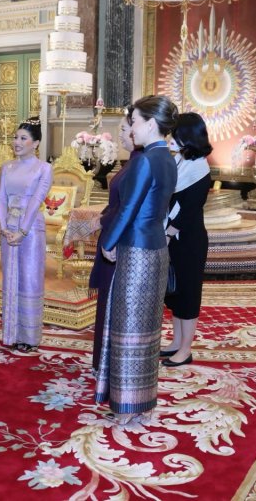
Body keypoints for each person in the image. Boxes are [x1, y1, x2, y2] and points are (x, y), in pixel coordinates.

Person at [94, 95, 178, 424]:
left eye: (136, 121)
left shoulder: (145, 160)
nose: (132, 130)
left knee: (128, 330)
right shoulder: (168, 157)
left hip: (137, 252)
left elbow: (129, 208)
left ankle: (127, 406)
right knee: (146, 331)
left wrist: (108, 242)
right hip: (156, 249)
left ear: (151, 123)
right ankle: (142, 402)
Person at [89, 109, 142, 371]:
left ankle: (110, 363)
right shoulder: (133, 160)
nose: (120, 134)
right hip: (115, 235)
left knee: (114, 306)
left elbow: (127, 208)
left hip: (121, 241)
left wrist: (102, 222)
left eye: (124, 129)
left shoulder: (140, 162)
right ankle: (104, 361)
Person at [161, 112, 213, 367]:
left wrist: (169, 233)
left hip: (188, 241)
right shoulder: (181, 161)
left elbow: (187, 207)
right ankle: (176, 342)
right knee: (175, 293)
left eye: (175, 133)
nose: (170, 137)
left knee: (188, 294)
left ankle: (186, 349)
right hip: (174, 238)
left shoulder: (199, 168)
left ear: (188, 136)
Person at [0, 118, 52, 352]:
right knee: (10, 279)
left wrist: (22, 230)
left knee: (29, 280)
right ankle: (11, 333)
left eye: (23, 138)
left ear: (35, 143)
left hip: (30, 231)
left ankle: (29, 337)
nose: (16, 142)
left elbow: (37, 200)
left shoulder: (44, 168)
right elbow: (0, 198)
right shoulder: (7, 167)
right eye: (15, 137)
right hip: (8, 229)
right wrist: (3, 227)